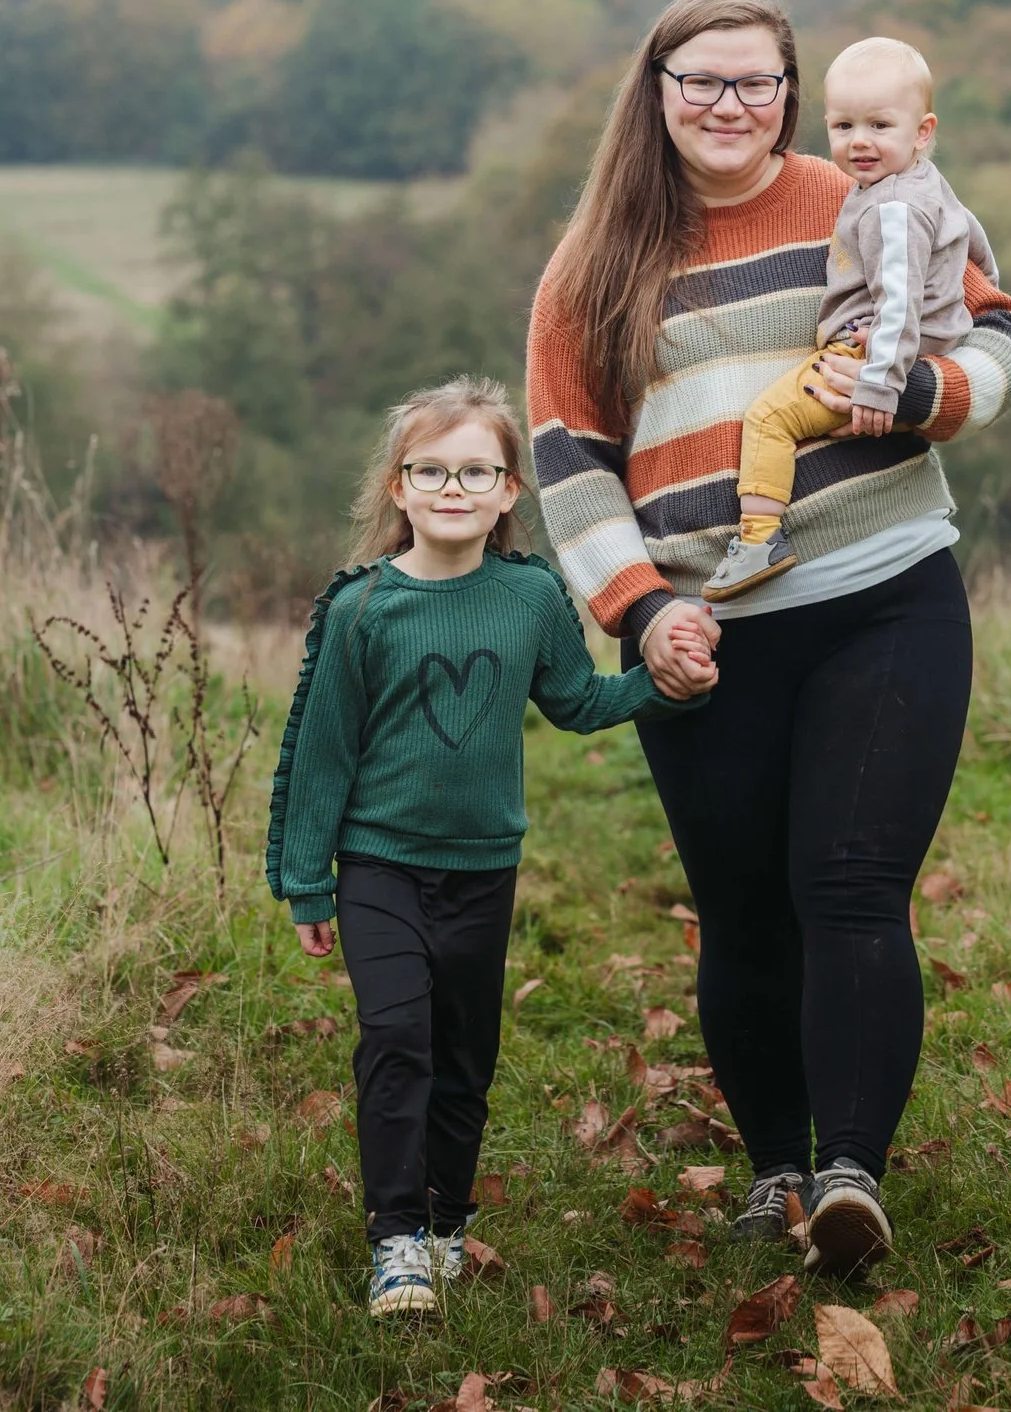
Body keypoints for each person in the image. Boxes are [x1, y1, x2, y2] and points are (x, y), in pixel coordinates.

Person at [526, 0, 1011, 1276]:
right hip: (709, 637)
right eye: (701, 81)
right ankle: (776, 1168)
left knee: (851, 883)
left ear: (791, 95)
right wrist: (639, 615)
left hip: (885, 592)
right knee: (744, 912)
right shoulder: (592, 264)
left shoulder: (864, 197)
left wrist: (933, 389)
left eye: (756, 83)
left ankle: (854, 1171)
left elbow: (1002, 333)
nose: (728, 106)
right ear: (655, 93)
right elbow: (571, 463)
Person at [263, 377, 707, 1319]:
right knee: (395, 1038)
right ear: (399, 487)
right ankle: (395, 1243)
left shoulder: (532, 597)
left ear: (510, 490)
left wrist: (665, 684)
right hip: (378, 863)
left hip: (482, 870)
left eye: (477, 470)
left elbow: (578, 702)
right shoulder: (362, 609)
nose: (452, 487)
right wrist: (307, 881)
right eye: (431, 469)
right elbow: (321, 749)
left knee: (464, 1056)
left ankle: (445, 1219)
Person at [704, 36, 996, 601]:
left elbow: (899, 302)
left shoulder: (891, 208)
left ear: (923, 130)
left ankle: (759, 539)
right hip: (902, 345)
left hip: (871, 354)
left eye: (880, 126)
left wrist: (880, 387)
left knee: (768, 419)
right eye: (843, 127)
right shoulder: (920, 183)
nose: (859, 142)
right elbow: (973, 242)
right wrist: (977, 294)